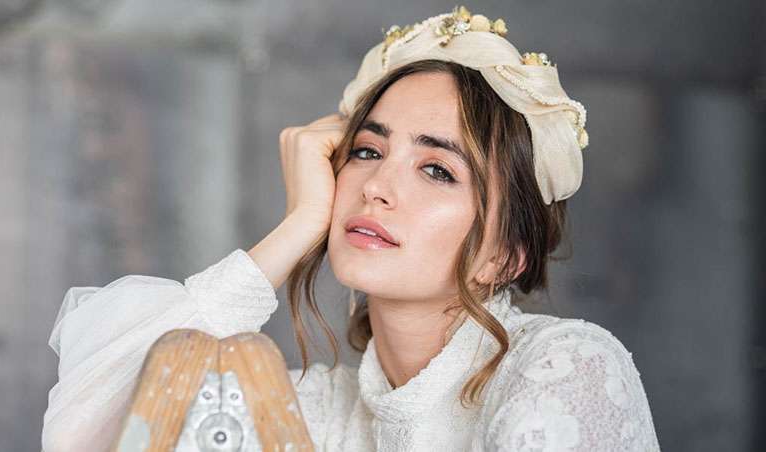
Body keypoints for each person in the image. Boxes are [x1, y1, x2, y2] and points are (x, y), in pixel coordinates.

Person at [42, 7, 660, 451]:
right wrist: (298, 226)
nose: (376, 186)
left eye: (438, 170)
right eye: (367, 151)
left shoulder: (567, 365)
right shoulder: (313, 408)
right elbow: (87, 429)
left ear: (507, 255)